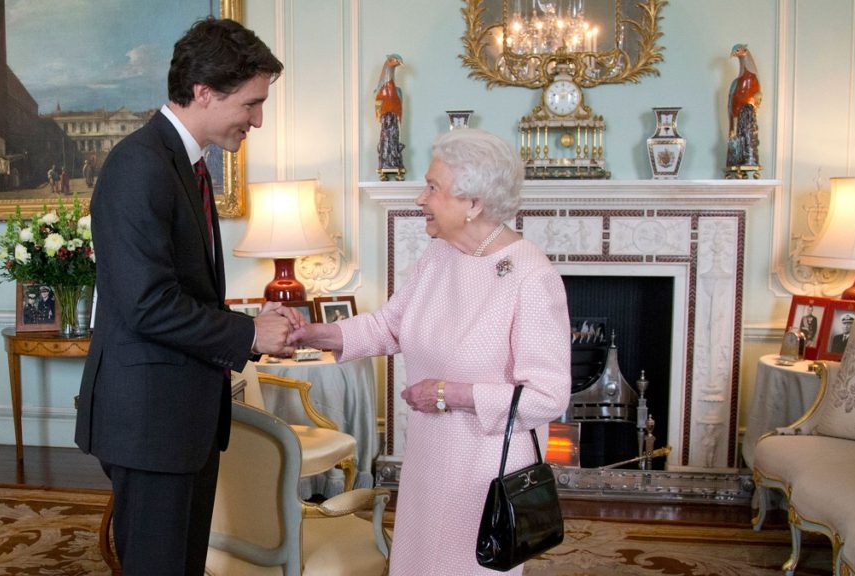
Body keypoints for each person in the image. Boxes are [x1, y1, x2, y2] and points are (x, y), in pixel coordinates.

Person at [290, 128, 572, 575]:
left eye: (434, 188)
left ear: (473, 203)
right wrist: (311, 334)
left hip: (484, 470)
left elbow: (548, 395)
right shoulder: (440, 254)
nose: (421, 198)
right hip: (428, 458)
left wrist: (448, 393)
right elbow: (390, 326)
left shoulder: (530, 276)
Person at [74, 17, 292, 576]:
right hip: (149, 422)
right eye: (251, 103)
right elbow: (147, 304)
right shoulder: (139, 165)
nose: (258, 119)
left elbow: (181, 289)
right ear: (204, 92)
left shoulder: (183, 164)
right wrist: (248, 334)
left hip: (177, 418)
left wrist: (249, 321)